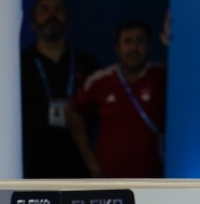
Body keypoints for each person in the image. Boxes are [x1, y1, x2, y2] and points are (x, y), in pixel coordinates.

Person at [68, 19, 167, 178]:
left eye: (140, 41)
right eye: (127, 42)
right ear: (117, 48)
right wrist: (89, 158)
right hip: (111, 178)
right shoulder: (100, 81)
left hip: (154, 178)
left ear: (149, 45)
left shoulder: (162, 76)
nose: (134, 48)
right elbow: (72, 110)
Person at [20, 0, 101, 178]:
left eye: (58, 10)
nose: (52, 15)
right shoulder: (18, 65)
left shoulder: (88, 64)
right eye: (44, 10)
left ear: (69, 21)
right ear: (33, 23)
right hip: (31, 166)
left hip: (80, 165)